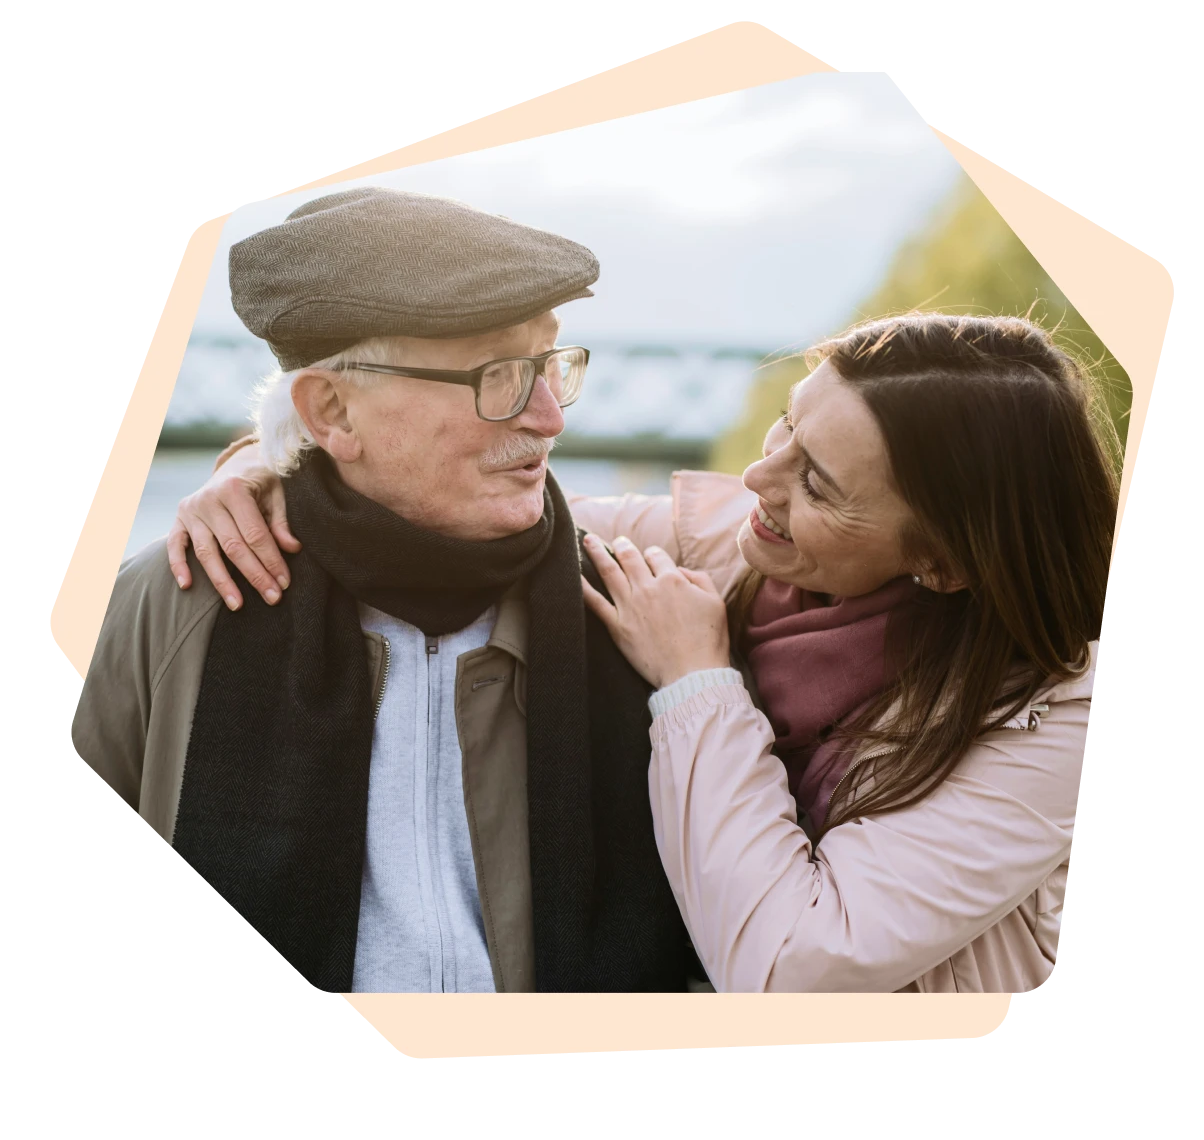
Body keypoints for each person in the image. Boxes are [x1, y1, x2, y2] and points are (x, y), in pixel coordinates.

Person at [175, 313, 1113, 992]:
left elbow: (790, 963)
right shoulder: (721, 545)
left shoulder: (1051, 720)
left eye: (819, 484)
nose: (758, 476)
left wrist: (697, 681)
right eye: (789, 423)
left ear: (944, 563)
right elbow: (449, 511)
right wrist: (267, 471)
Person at [70, 185, 697, 997]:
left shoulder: (638, 604)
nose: (550, 418)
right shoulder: (172, 604)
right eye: (500, 373)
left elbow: (836, 511)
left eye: (549, 364)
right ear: (332, 410)